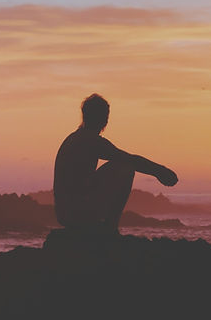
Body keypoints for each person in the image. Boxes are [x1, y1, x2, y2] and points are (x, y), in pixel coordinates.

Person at [53, 93, 178, 231]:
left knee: (121, 165)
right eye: (104, 115)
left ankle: (104, 225)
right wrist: (159, 171)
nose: (106, 120)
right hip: (75, 213)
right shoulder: (90, 140)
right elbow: (130, 160)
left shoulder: (74, 138)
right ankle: (111, 227)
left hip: (64, 214)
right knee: (126, 168)